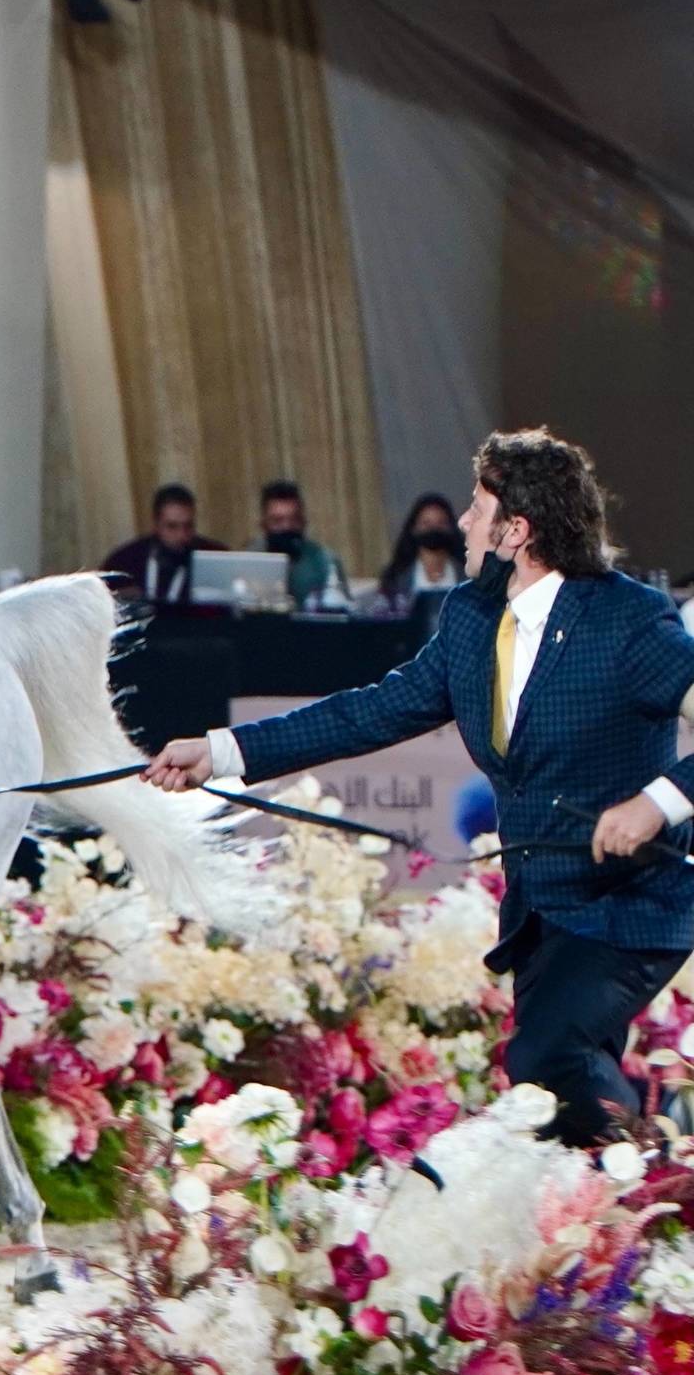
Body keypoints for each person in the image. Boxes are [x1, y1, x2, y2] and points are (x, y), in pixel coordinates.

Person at [144, 428, 694, 1148]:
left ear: (517, 530)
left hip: (632, 901)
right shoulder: (470, 616)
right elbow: (370, 711)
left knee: (545, 1056)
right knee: (555, 1102)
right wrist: (220, 752)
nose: (462, 522)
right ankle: (642, 1183)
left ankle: (655, 1160)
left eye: (477, 507)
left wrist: (656, 803)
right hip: (544, 908)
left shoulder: (628, 619)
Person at [101, 483, 226, 604]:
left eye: (188, 526)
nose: (181, 535)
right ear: (156, 524)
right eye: (172, 526)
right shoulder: (123, 562)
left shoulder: (214, 559)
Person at [247, 480, 340, 604]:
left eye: (294, 519)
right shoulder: (250, 560)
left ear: (303, 522)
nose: (287, 526)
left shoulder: (324, 561)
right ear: (263, 524)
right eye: (277, 521)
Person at [377, 493, 466, 610]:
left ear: (451, 528)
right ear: (414, 529)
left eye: (441, 523)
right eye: (426, 523)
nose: (433, 529)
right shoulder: (395, 578)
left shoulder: (468, 575)